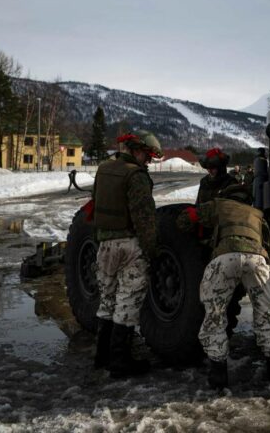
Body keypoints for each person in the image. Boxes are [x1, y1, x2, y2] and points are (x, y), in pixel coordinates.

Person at [176, 183, 270, 389]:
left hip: (224, 258)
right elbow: (269, 247)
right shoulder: (257, 214)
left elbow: (184, 221)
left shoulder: (219, 204)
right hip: (257, 259)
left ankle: (218, 374)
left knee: (215, 314)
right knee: (266, 312)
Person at [91, 130, 163, 378]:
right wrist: (151, 251)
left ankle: (102, 356)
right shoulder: (136, 175)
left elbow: (95, 203)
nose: (148, 161)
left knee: (107, 300)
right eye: (146, 155)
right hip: (130, 246)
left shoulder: (103, 169)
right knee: (127, 302)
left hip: (105, 245)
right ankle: (120, 361)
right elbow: (144, 218)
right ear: (134, 149)